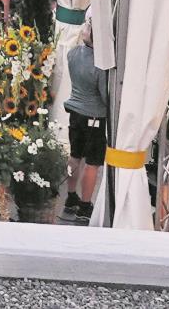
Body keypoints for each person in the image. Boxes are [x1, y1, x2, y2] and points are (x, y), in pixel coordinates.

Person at [64, 22, 109, 219]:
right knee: (92, 162)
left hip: (75, 112)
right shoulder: (100, 65)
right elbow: (105, 96)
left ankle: (70, 196)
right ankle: (85, 205)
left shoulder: (72, 54)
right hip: (94, 116)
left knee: (74, 156)